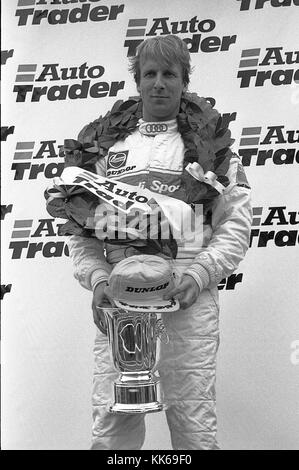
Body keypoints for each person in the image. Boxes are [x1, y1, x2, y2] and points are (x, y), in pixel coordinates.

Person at [64, 35, 252, 450]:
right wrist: (98, 279)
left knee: (193, 424)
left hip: (188, 301)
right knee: (113, 426)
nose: (159, 83)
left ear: (185, 79)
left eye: (170, 73)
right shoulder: (104, 147)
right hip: (119, 304)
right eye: (150, 74)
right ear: (137, 81)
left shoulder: (213, 146)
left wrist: (201, 274)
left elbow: (236, 224)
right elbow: (80, 228)